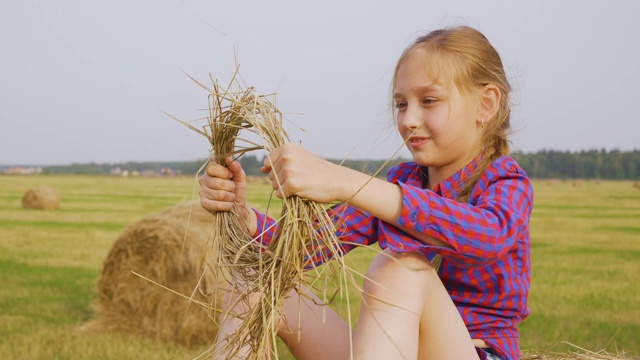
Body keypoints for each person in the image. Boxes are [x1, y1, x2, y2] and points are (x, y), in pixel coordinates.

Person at [199, 25, 533, 360]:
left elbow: (487, 236)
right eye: (401, 104)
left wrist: (346, 183)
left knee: (399, 268)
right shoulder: (402, 183)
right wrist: (242, 215)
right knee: (254, 285)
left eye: (428, 101)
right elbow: (304, 247)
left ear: (486, 104)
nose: (409, 119)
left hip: (475, 353)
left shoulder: (505, 182)